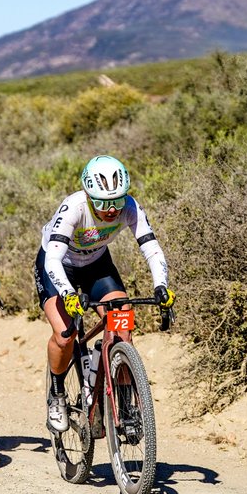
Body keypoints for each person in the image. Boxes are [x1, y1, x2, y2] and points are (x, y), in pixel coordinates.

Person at [35, 154, 175, 433]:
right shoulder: (73, 207)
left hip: (97, 265)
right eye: (101, 202)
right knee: (65, 335)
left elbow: (151, 248)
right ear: (88, 195)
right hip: (58, 265)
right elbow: (52, 260)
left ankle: (125, 407)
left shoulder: (130, 206)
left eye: (117, 201)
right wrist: (68, 294)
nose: (111, 210)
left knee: (121, 325)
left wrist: (161, 285)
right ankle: (57, 394)